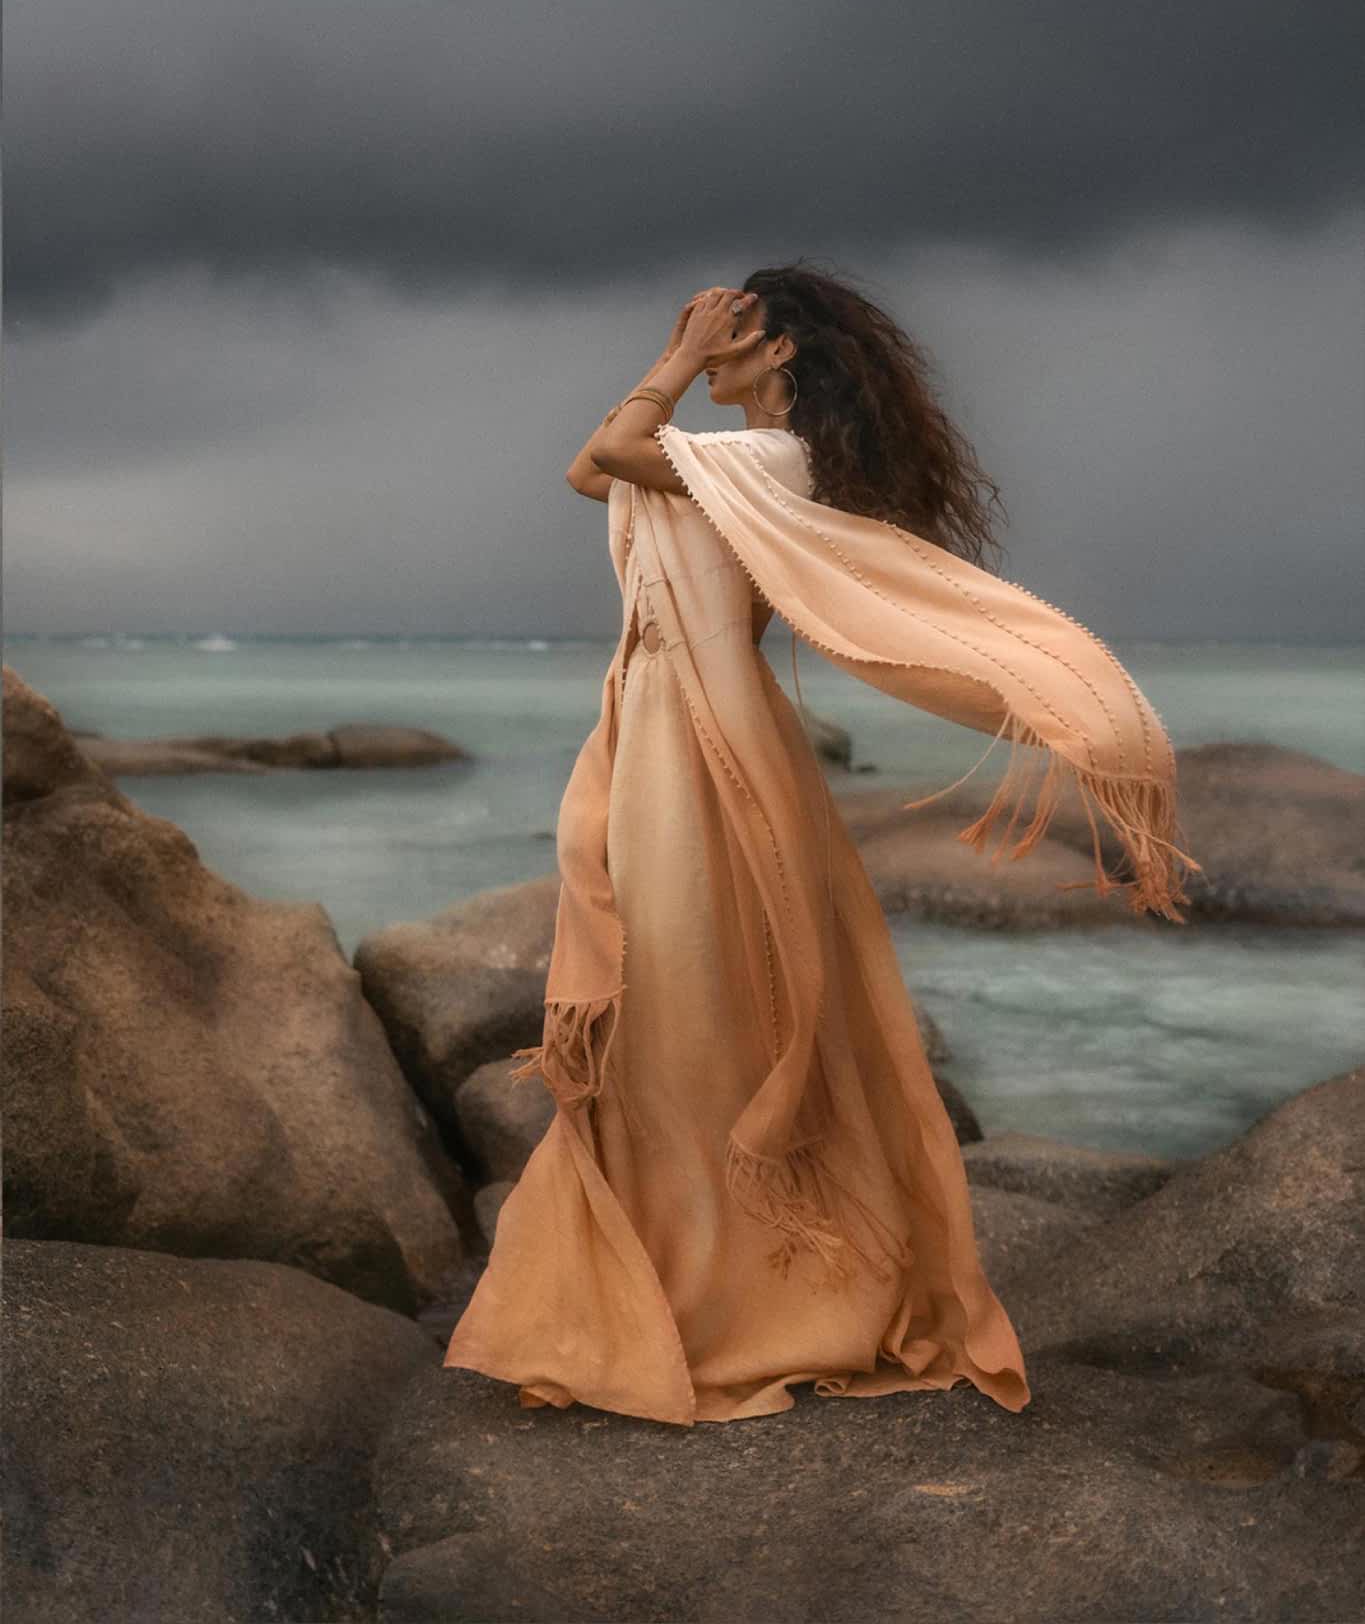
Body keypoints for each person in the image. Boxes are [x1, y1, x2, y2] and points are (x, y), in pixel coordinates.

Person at [444, 263, 1199, 1427]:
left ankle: (745, 1295)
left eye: (734, 319)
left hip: (707, 746)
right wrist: (688, 361)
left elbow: (607, 452)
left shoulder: (768, 465)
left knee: (698, 1011)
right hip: (653, 734)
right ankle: (671, 1283)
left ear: (780, 349)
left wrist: (680, 358)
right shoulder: (727, 466)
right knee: (662, 1009)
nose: (706, 328)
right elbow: (596, 466)